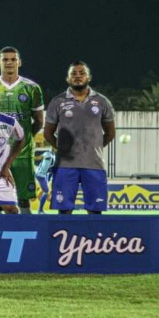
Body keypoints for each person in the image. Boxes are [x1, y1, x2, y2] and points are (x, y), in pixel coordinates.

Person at [0, 46, 45, 214]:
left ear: (19, 62)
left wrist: (24, 138)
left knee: (23, 200)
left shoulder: (32, 88)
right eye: (5, 60)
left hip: (23, 154)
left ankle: (27, 230)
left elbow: (38, 121)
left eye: (13, 59)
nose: (9, 63)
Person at [44, 61, 115, 214]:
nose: (77, 76)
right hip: (65, 166)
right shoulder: (57, 101)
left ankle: (93, 232)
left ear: (89, 77)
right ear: (67, 79)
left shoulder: (102, 102)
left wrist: (94, 147)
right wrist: (63, 150)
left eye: (82, 73)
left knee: (95, 212)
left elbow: (110, 133)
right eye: (73, 74)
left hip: (94, 164)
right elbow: (48, 133)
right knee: (64, 211)